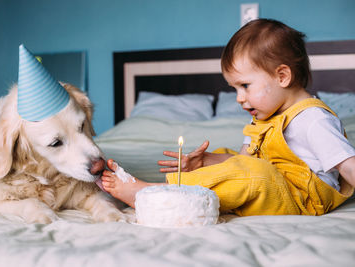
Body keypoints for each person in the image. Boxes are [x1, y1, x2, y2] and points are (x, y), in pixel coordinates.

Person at [101, 18, 355, 216]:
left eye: (245, 86)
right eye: (234, 89)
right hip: (271, 185)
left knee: (254, 175)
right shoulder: (263, 120)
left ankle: (152, 195)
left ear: (282, 77)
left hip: (305, 199)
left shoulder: (313, 119)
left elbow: (348, 165)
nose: (239, 98)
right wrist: (208, 161)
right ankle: (180, 189)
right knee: (231, 159)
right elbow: (244, 160)